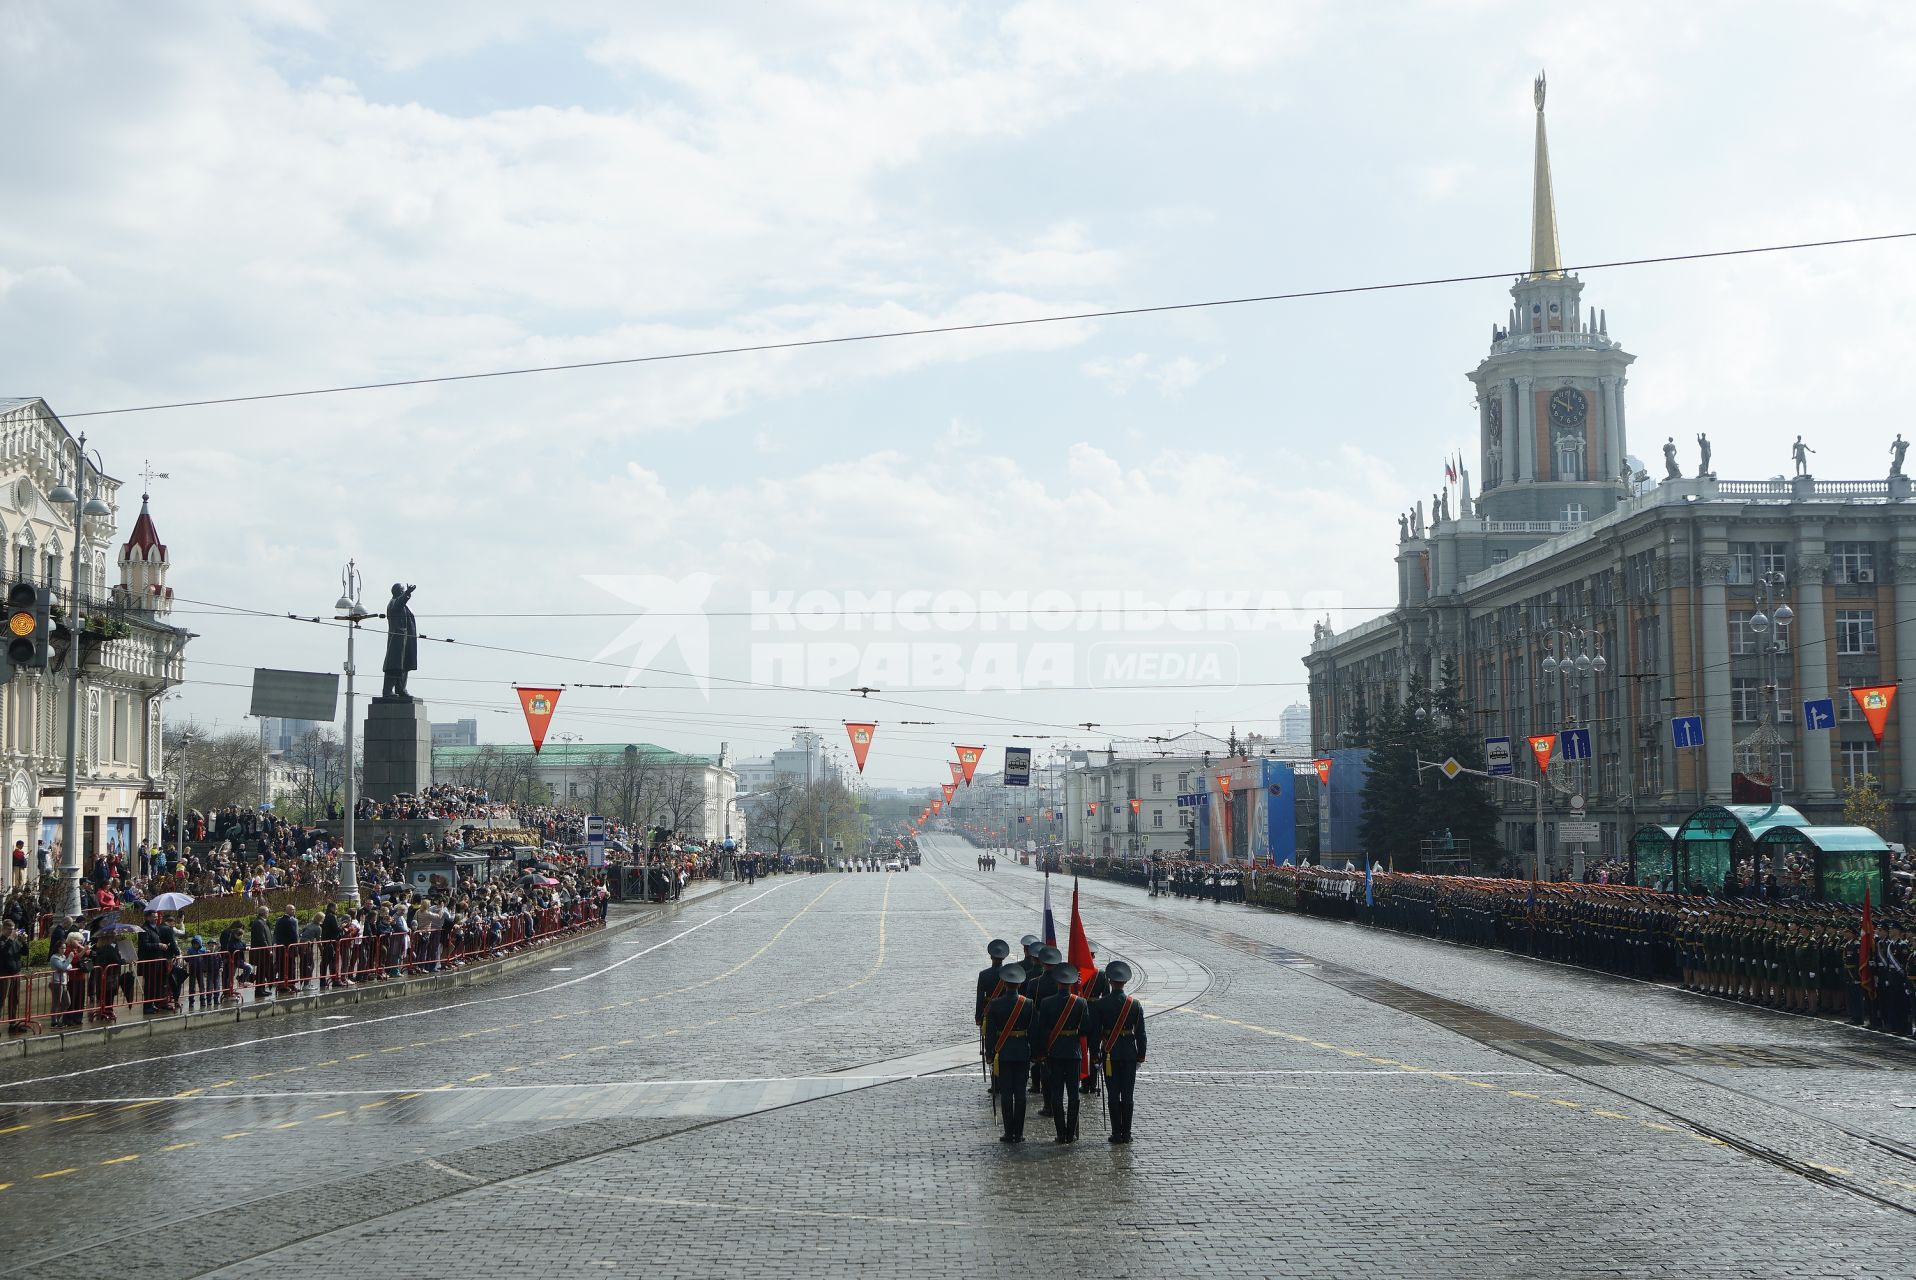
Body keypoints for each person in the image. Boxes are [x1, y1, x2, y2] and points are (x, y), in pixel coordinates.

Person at [1092, 960, 1147, 1143]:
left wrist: (1095, 1055)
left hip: (1110, 1054)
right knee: (1128, 1094)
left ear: (1109, 981)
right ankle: (1127, 1133)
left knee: (1113, 1093)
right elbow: (1140, 1034)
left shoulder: (1101, 1004)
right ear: (1125, 982)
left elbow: (1095, 1033)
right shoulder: (1135, 1004)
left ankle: (1116, 1133)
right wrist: (1140, 1055)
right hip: (1130, 1053)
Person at [1035, 962, 1090, 1143]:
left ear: (1057, 982)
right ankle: (1071, 1133)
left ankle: (1061, 1133)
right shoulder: (1080, 1002)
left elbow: (1042, 1031)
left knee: (1057, 1094)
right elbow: (1085, 1030)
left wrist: (1042, 1053)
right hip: (1073, 1053)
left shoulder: (1046, 1003)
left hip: (1054, 1052)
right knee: (1073, 1094)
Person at [982, 962, 1034, 1143]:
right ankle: (1018, 1132)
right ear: (1020, 984)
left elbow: (990, 1033)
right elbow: (1033, 1031)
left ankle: (1008, 1131)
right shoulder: (1028, 1004)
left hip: (1002, 1052)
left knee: (1005, 1093)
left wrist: (989, 1053)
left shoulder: (995, 1005)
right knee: (1020, 1093)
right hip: (1022, 1052)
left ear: (1003, 983)